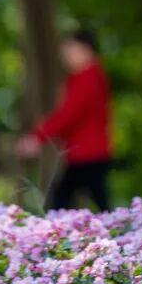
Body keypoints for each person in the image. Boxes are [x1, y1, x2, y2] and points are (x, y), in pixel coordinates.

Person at [16, 29, 112, 211]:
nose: (66, 57)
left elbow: (68, 115)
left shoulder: (88, 79)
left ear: (85, 50)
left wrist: (38, 137)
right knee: (91, 201)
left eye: (70, 51)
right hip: (86, 152)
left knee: (61, 202)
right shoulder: (86, 78)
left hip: (86, 153)